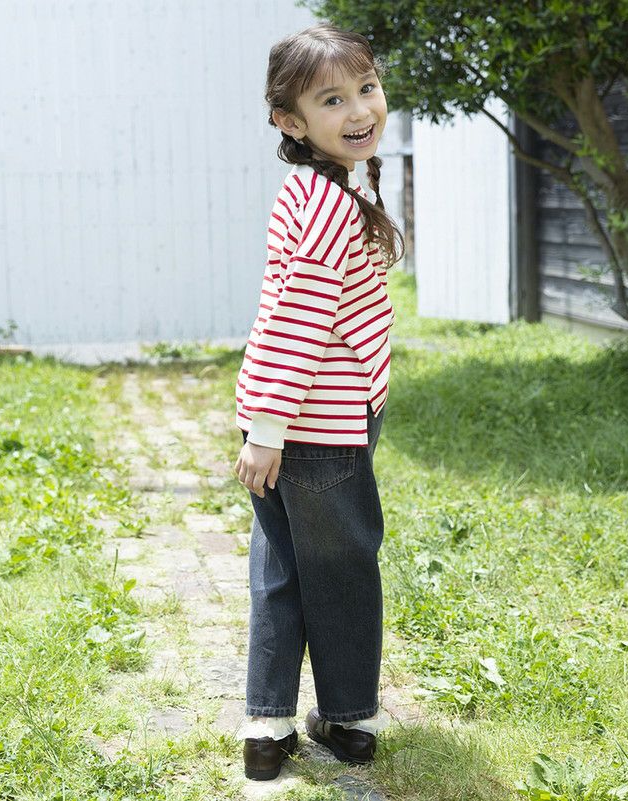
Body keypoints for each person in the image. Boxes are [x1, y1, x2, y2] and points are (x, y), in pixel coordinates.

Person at [232, 22, 405, 781]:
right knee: (338, 567)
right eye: (332, 99)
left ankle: (267, 726)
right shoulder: (331, 202)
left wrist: (266, 424)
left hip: (297, 417)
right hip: (316, 425)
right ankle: (348, 717)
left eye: (366, 88)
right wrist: (270, 429)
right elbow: (298, 319)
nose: (359, 109)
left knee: (282, 566)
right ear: (291, 121)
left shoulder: (321, 187)